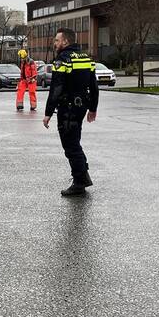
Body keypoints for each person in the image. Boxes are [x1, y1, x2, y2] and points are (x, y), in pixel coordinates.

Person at [42, 28, 98, 196]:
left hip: (68, 109)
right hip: (81, 107)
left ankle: (80, 181)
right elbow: (94, 86)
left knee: (70, 145)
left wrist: (48, 113)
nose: (55, 44)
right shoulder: (86, 58)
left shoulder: (62, 60)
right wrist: (93, 108)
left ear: (65, 41)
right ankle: (83, 175)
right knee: (75, 141)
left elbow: (56, 88)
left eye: (57, 41)